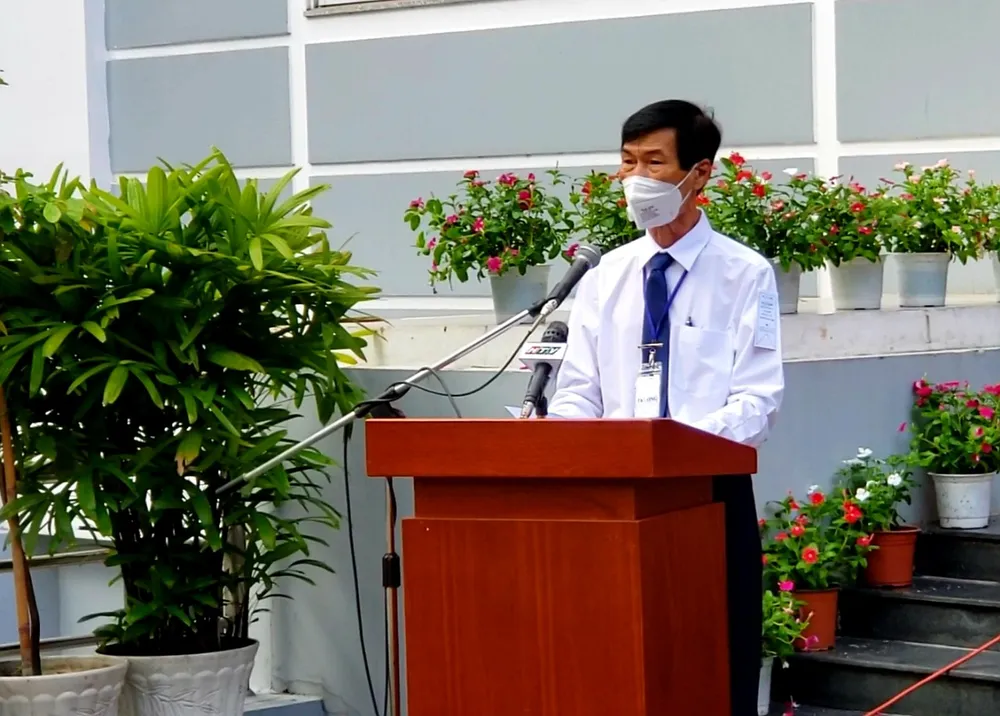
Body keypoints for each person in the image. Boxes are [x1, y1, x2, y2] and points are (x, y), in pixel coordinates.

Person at [548, 99, 784, 715]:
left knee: (709, 661)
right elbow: (578, 389)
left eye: (654, 163)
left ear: (699, 174)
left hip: (706, 496)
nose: (636, 178)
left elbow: (758, 399)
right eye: (627, 162)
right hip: (610, 495)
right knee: (612, 658)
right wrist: (567, 448)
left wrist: (672, 452)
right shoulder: (605, 274)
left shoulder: (745, 275)